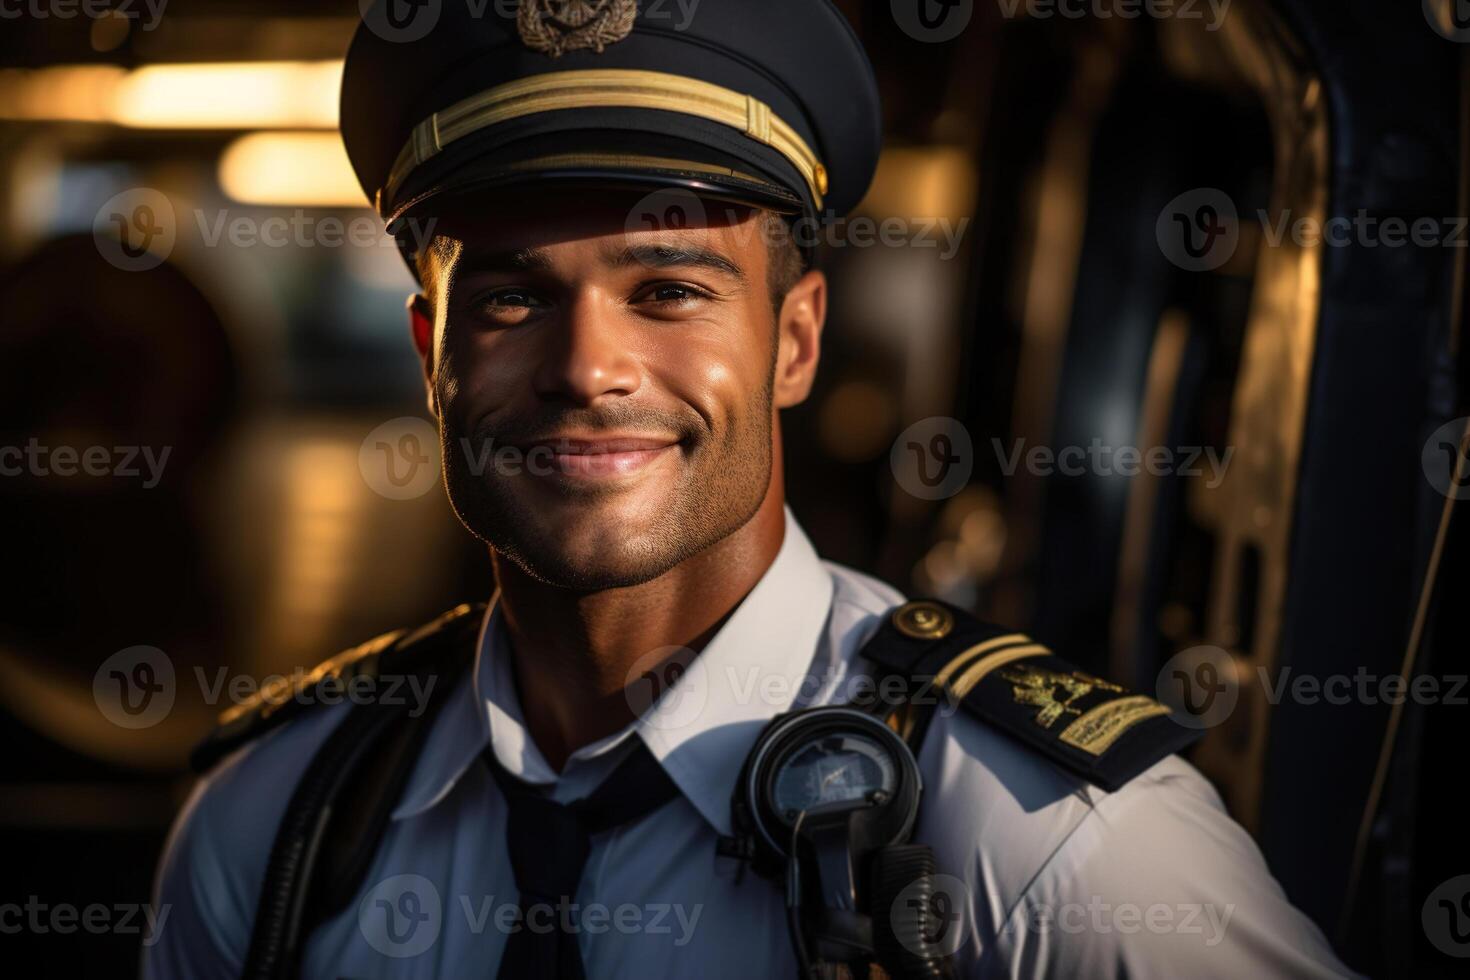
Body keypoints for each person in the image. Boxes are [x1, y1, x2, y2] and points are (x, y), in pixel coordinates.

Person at [146, 2, 1357, 976]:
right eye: (513, 297)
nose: (585, 368)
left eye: (669, 289)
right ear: (432, 357)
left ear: (794, 342)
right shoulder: (276, 825)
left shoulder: (1040, 844)